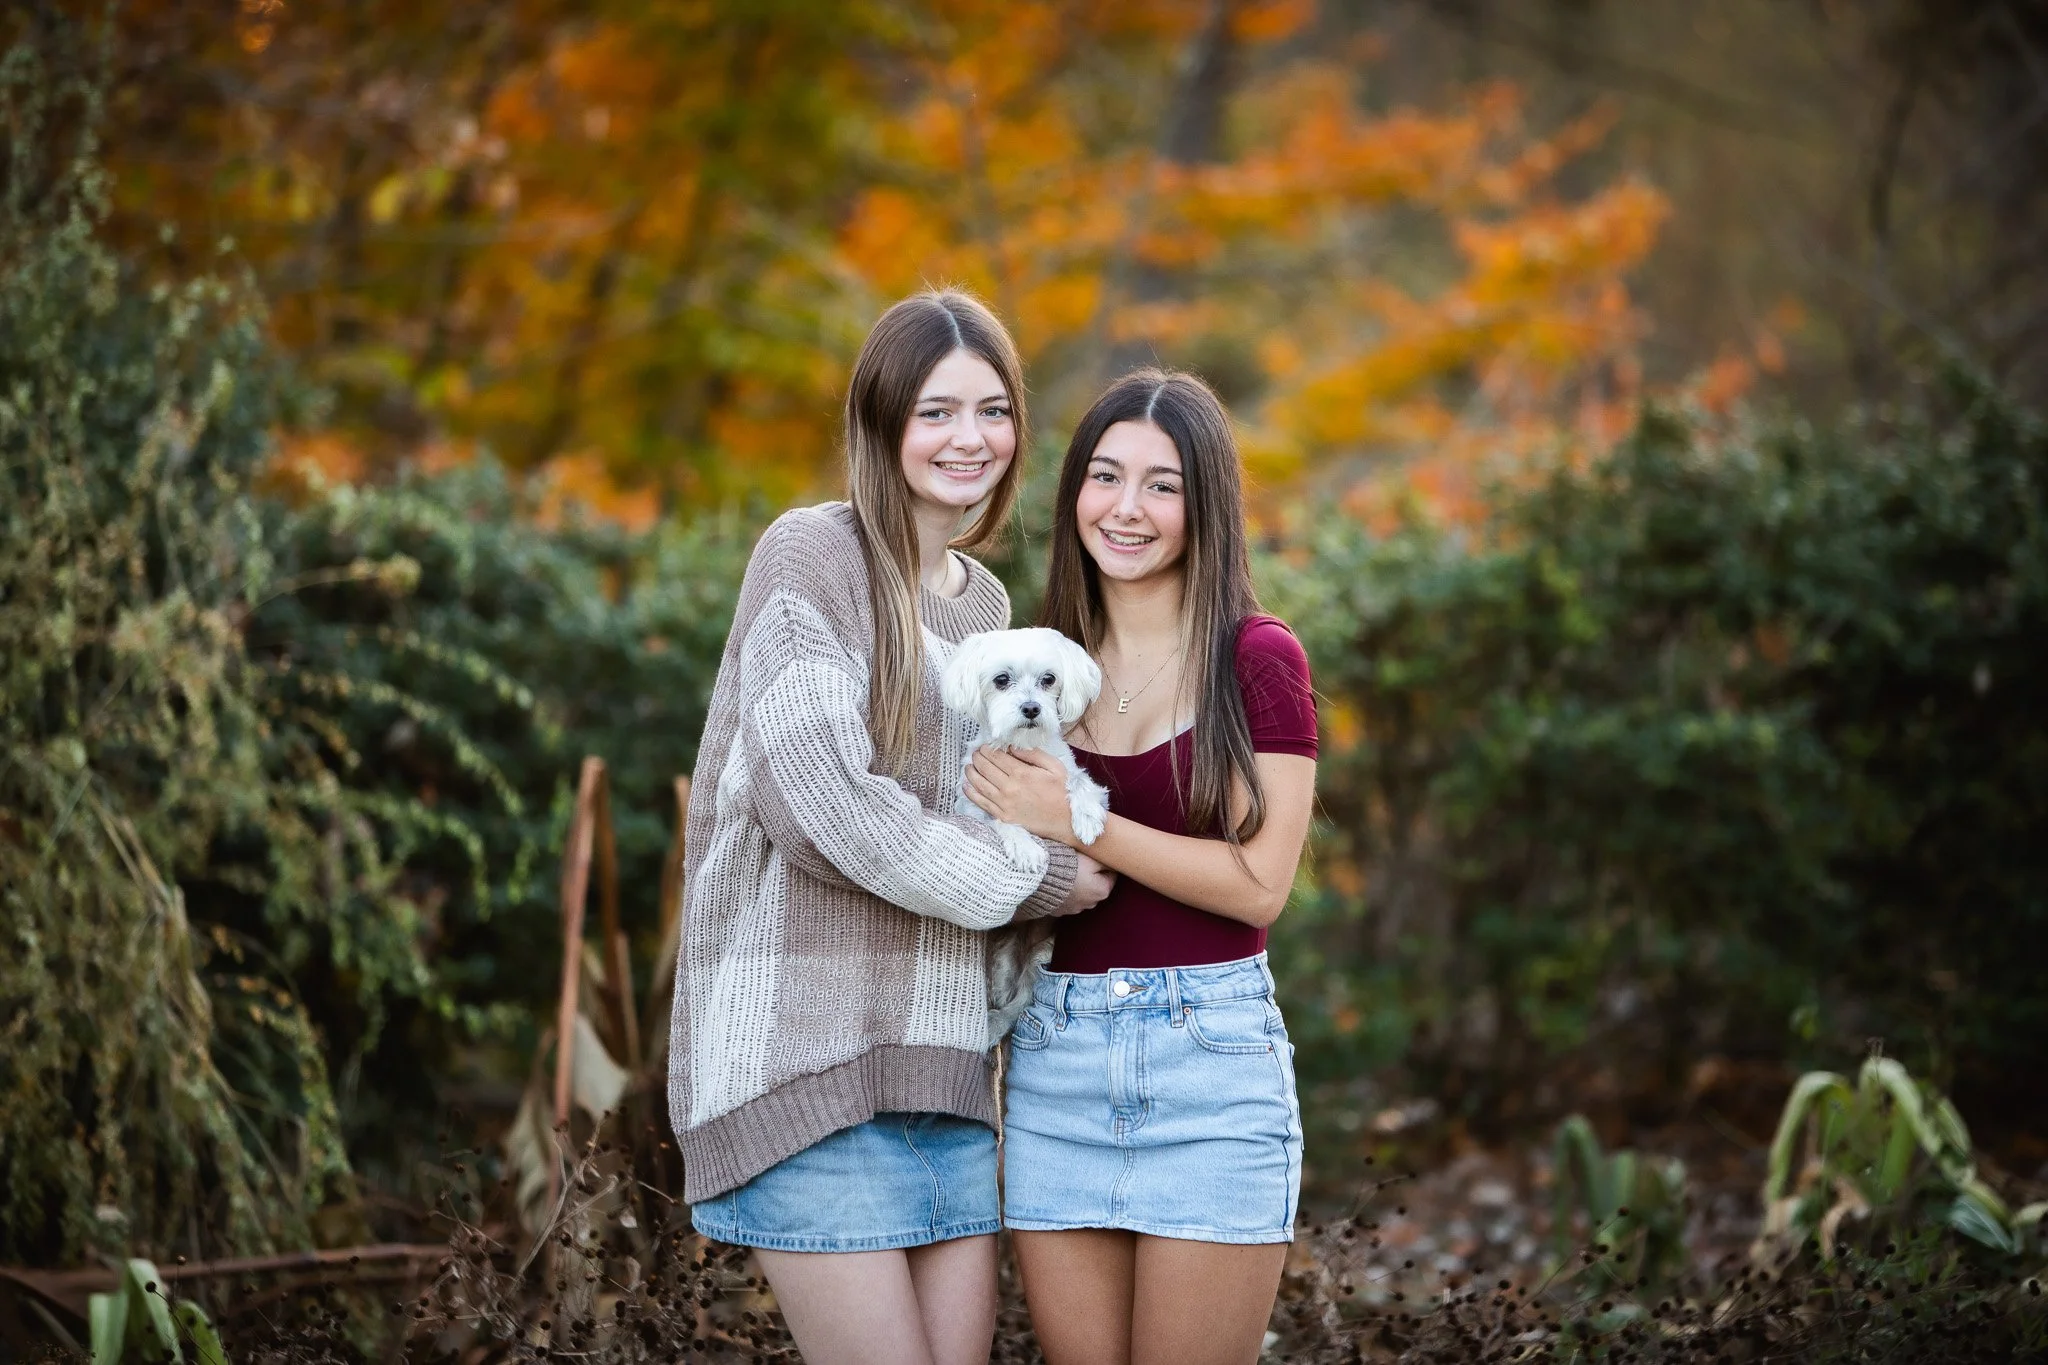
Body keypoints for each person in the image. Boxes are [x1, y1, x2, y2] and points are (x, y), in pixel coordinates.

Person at [667, 289, 1116, 1365]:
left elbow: (1002, 801)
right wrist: (1045, 880)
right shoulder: (810, 557)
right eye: (935, 412)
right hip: (802, 1061)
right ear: (880, 423)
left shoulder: (987, 615)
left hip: (946, 1076)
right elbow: (825, 811)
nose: (970, 439)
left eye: (993, 410)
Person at [964, 369, 1319, 1365]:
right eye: (1104, 476)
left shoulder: (1255, 658)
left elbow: (1259, 887)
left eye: (1160, 486)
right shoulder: (1034, 667)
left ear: (1204, 506)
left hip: (1207, 1060)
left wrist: (1079, 823)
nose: (1125, 509)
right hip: (1053, 1064)